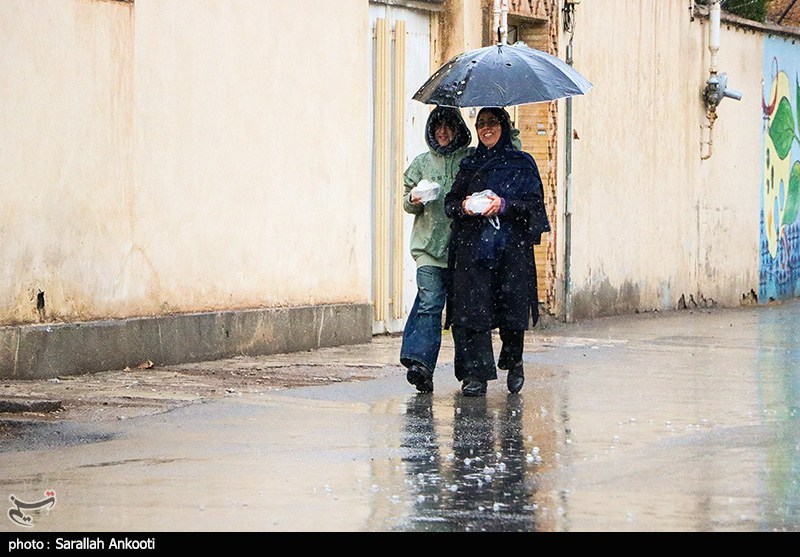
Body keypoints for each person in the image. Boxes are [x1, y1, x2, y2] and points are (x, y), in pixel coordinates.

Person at [444, 107, 550, 397]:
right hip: (474, 251)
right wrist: (465, 206)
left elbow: (534, 207)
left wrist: (504, 205)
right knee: (472, 313)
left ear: (504, 126)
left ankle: (514, 360)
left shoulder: (522, 164)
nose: (486, 129)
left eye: (492, 122)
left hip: (510, 251)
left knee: (511, 310)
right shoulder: (470, 165)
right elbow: (450, 203)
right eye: (481, 124)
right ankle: (475, 375)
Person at [400, 106, 473, 393]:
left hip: (460, 250)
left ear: (458, 129)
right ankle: (421, 365)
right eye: (437, 126)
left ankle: (470, 372)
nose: (442, 132)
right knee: (430, 303)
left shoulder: (468, 160)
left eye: (448, 126)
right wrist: (414, 198)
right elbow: (406, 202)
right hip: (427, 249)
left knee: (462, 313)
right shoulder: (421, 163)